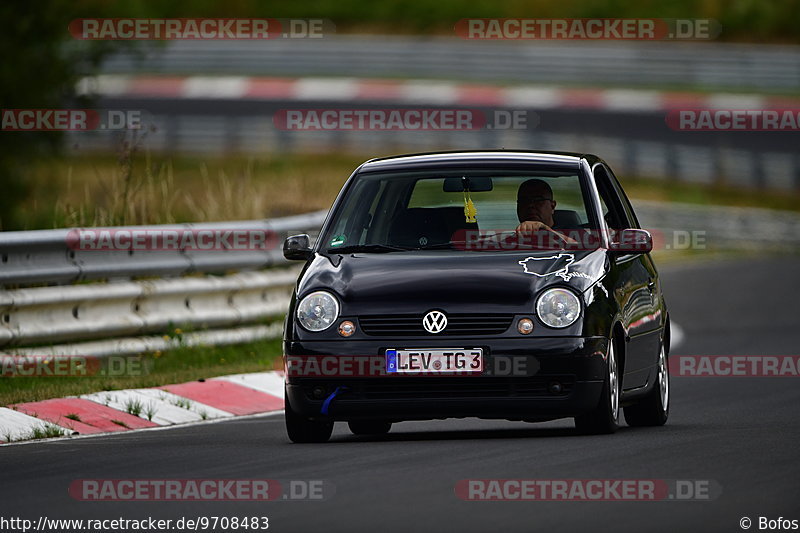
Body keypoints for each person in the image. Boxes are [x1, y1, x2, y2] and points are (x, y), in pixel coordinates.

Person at [515, 179, 577, 246]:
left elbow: (582, 248)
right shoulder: (510, 242)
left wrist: (545, 230)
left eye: (538, 200)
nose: (530, 205)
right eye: (524, 201)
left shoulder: (575, 233)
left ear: (552, 206)